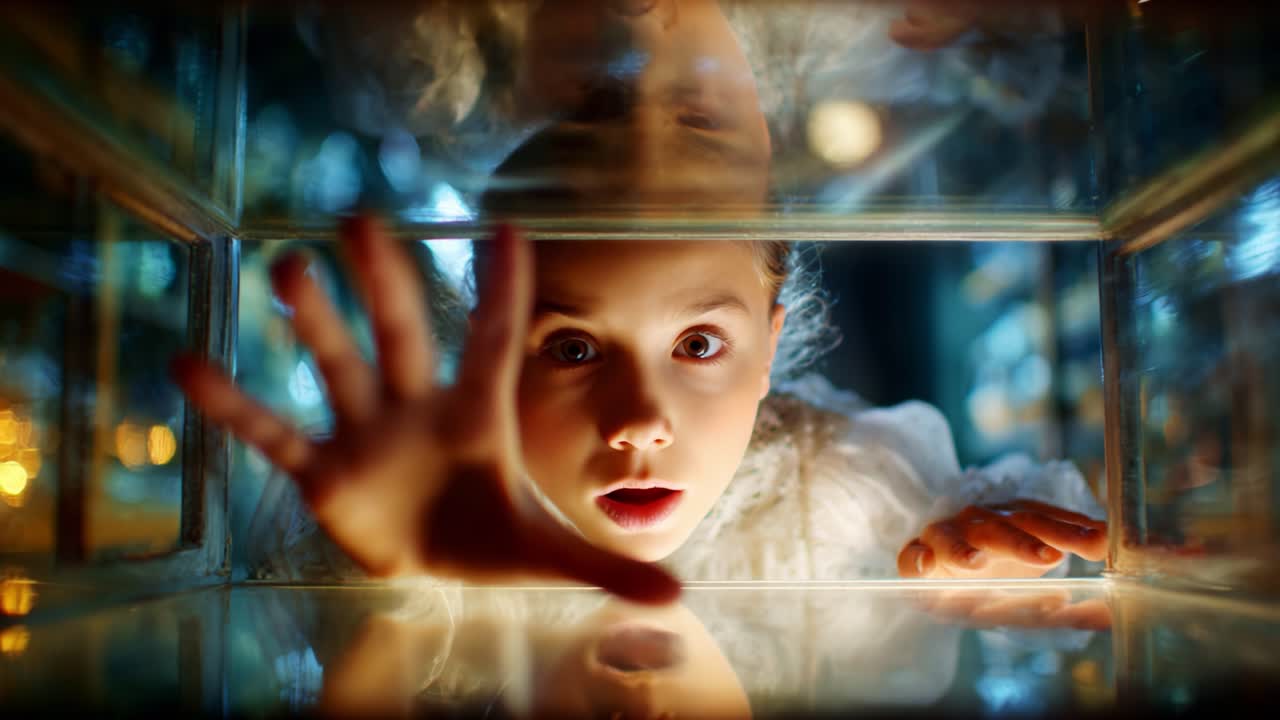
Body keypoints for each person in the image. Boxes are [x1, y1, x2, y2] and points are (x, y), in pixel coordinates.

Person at [173, 0, 1104, 603]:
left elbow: (965, 535)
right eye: (574, 349)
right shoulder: (445, 497)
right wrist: (384, 578)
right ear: (488, 345)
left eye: (699, 344)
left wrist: (983, 551)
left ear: (771, 345)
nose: (640, 424)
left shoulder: (837, 484)